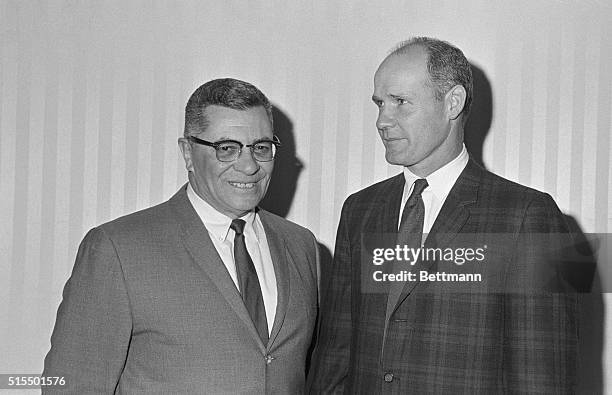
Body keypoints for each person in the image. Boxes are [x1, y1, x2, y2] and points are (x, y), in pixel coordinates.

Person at [307, 37, 577, 393]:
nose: (382, 121)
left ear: (453, 102)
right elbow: (334, 357)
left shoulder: (532, 215)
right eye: (379, 104)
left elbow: (544, 376)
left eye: (400, 102)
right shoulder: (359, 210)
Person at [43, 78, 319, 393]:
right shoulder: (118, 249)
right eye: (226, 148)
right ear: (188, 152)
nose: (249, 165)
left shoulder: (301, 246)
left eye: (260, 147)